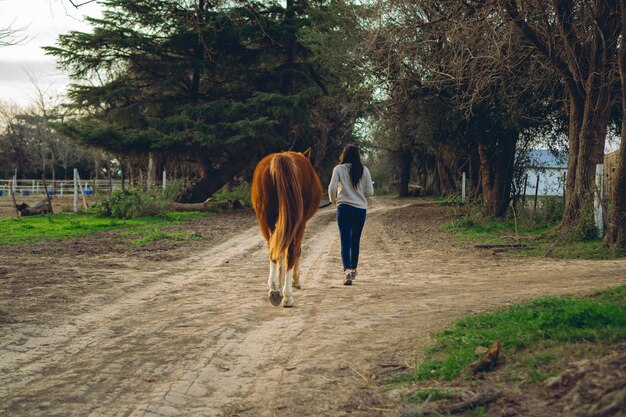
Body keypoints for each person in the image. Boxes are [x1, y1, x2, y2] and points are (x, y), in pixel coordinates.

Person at [328, 144, 374, 285]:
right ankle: (354, 269)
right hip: (360, 210)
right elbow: (370, 192)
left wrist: (334, 201)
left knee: (345, 242)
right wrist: (359, 194)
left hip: (344, 208)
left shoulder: (338, 169)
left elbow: (332, 187)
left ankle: (347, 271)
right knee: (355, 241)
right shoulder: (364, 170)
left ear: (344, 155)